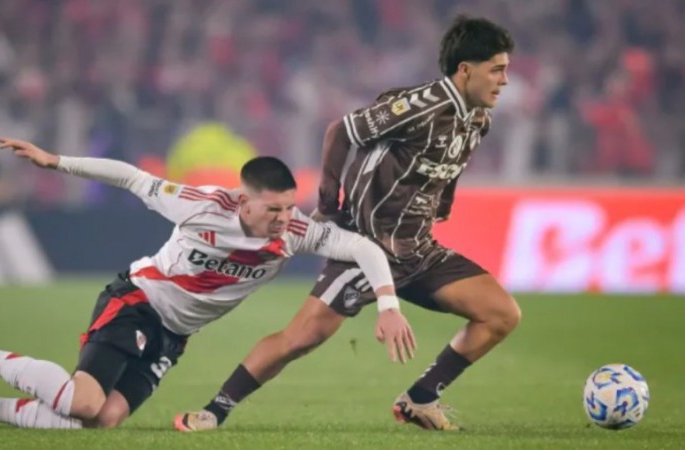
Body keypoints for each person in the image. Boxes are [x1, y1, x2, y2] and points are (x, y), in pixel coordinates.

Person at [0, 138, 415, 429]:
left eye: (290, 206)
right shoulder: (200, 205)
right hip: (137, 300)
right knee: (84, 403)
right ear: (244, 202)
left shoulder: (295, 234)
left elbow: (363, 248)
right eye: (274, 208)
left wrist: (388, 304)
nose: (286, 217)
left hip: (175, 334)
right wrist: (55, 162)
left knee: (102, 419)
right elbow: (130, 177)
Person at [175, 15, 521, 432]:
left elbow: (450, 166)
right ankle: (214, 411)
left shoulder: (477, 119)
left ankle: (420, 398)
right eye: (497, 69)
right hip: (365, 246)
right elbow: (341, 131)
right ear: (465, 69)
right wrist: (328, 202)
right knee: (299, 339)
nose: (504, 80)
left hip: (417, 248)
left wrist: (441, 203)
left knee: (501, 314)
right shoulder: (419, 106)